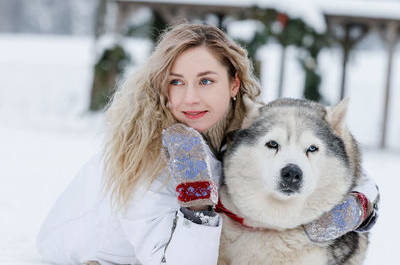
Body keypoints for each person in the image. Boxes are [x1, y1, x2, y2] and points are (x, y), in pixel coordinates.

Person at [36, 23, 379, 265]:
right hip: (90, 249)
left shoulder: (249, 126)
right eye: (176, 82)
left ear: (234, 85)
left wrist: (360, 201)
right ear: (162, 88)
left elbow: (326, 160)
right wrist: (196, 208)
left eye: (205, 80)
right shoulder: (148, 159)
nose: (190, 98)